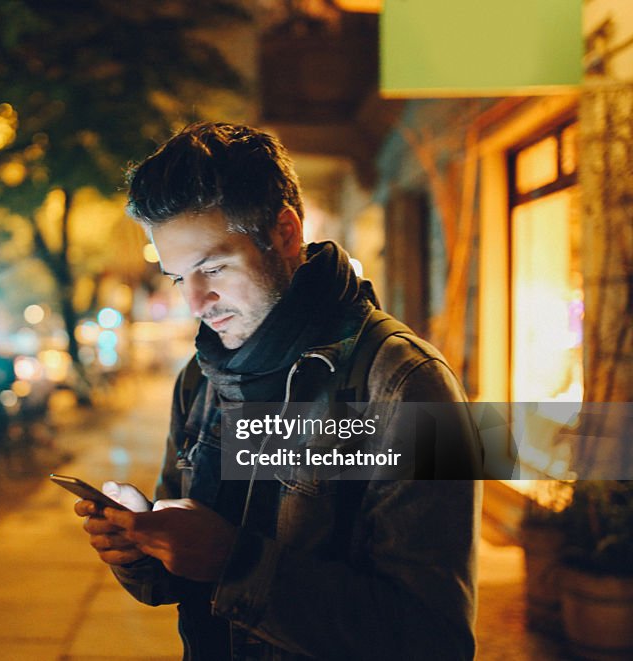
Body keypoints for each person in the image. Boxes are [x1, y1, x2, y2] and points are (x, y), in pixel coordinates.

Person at [73, 122, 483, 660]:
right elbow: (181, 579)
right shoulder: (201, 376)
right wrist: (140, 549)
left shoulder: (411, 384)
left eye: (213, 266)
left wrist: (236, 562)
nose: (196, 302)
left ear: (285, 233)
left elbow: (435, 641)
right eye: (179, 279)